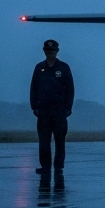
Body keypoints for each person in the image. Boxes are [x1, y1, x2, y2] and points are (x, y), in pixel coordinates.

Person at [29, 39, 73, 178]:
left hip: (59, 110)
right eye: (48, 51)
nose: (50, 53)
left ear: (57, 51)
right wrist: (34, 106)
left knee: (60, 140)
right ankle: (45, 166)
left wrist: (68, 107)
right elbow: (34, 88)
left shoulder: (64, 68)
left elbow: (70, 89)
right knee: (44, 141)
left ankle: (59, 166)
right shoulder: (39, 68)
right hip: (44, 110)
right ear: (44, 52)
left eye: (52, 50)